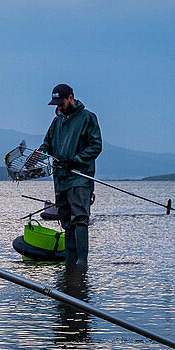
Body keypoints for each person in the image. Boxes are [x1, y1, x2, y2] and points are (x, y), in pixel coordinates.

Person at [38, 84, 102, 272]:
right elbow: (46, 145)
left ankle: (82, 264)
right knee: (66, 222)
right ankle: (70, 264)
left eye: (61, 102)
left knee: (80, 219)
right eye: (56, 104)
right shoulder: (56, 122)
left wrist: (76, 160)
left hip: (80, 177)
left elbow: (96, 146)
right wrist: (41, 154)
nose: (58, 107)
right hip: (60, 179)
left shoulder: (88, 118)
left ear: (71, 98)